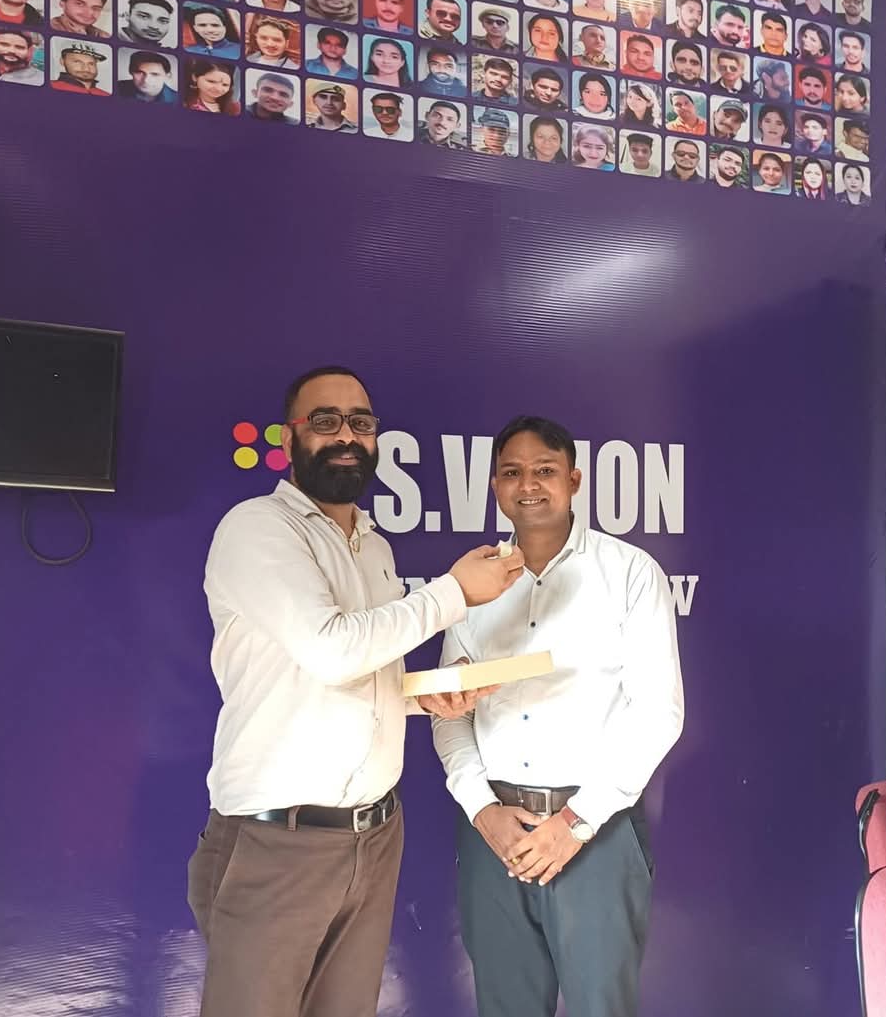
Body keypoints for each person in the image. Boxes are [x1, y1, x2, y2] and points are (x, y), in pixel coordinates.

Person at [188, 369, 521, 1017]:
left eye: (361, 423)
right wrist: (454, 593)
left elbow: (355, 673)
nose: (346, 435)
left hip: (374, 835)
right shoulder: (257, 529)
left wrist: (424, 696)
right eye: (326, 421)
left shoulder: (373, 547)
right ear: (288, 439)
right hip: (279, 840)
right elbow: (332, 649)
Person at [433, 417, 682, 1017]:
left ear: (573, 480)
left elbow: (659, 713)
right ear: (494, 486)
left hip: (595, 830)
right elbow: (449, 712)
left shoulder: (628, 572)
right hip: (497, 833)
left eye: (544, 471)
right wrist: (482, 809)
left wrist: (575, 822)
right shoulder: (471, 585)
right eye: (512, 473)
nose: (528, 486)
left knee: (602, 1007)